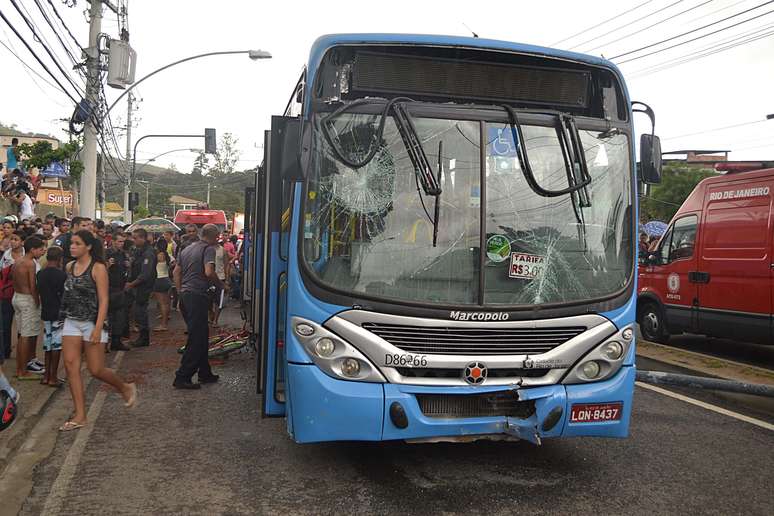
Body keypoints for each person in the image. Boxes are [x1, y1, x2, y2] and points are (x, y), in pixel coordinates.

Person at [59, 230, 136, 431]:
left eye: (77, 243)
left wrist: (98, 326)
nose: (72, 247)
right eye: (71, 243)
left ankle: (124, 387)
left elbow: (104, 299)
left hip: (93, 322)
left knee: (96, 370)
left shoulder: (98, 268)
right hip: (71, 321)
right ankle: (80, 415)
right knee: (70, 366)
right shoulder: (69, 266)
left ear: (89, 246)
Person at [173, 224, 222, 389]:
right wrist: (221, 285)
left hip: (186, 295)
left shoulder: (187, 249)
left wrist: (180, 292)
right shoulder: (209, 249)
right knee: (197, 338)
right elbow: (209, 272)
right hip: (198, 296)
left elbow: (176, 272)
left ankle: (205, 373)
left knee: (200, 334)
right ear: (215, 236)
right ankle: (183, 376)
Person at [11, 236, 46, 381]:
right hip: (27, 300)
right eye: (40, 249)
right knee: (26, 335)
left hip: (17, 297)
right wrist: (37, 301)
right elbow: (33, 286)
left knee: (22, 334)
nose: (43, 251)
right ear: (33, 249)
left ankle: (21, 367)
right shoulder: (30, 263)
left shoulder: (18, 261)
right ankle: (22, 371)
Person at [37, 246, 66, 386]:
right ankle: (53, 377)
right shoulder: (61, 275)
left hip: (46, 311)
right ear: (59, 259)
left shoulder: (40, 273)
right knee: (56, 345)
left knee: (47, 345)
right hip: (57, 312)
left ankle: (46, 376)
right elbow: (64, 295)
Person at [125, 228, 156, 347]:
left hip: (143, 287)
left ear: (142, 238)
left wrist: (132, 284)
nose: (134, 240)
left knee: (141, 311)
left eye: (135, 238)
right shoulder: (140, 251)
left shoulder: (148, 252)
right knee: (138, 311)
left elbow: (145, 274)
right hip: (139, 285)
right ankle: (142, 337)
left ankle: (144, 338)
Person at [106, 232, 130, 351]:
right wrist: (107, 265)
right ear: (114, 241)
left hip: (120, 288)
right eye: (119, 241)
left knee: (119, 317)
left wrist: (128, 265)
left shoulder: (123, 254)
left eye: (123, 242)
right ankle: (104, 343)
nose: (121, 244)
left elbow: (126, 270)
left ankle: (116, 341)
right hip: (108, 288)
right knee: (107, 317)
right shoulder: (107, 253)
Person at [152, 238, 172, 332]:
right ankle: (165, 320)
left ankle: (163, 324)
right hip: (166, 278)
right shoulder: (167, 255)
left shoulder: (158, 255)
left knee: (162, 303)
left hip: (159, 279)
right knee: (166, 302)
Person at [209, 237, 228, 328]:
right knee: (208, 300)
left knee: (218, 301)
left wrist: (227, 279)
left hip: (220, 277)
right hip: (208, 278)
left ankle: (215, 320)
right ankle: (211, 314)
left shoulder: (222, 250)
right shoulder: (206, 249)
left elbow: (226, 264)